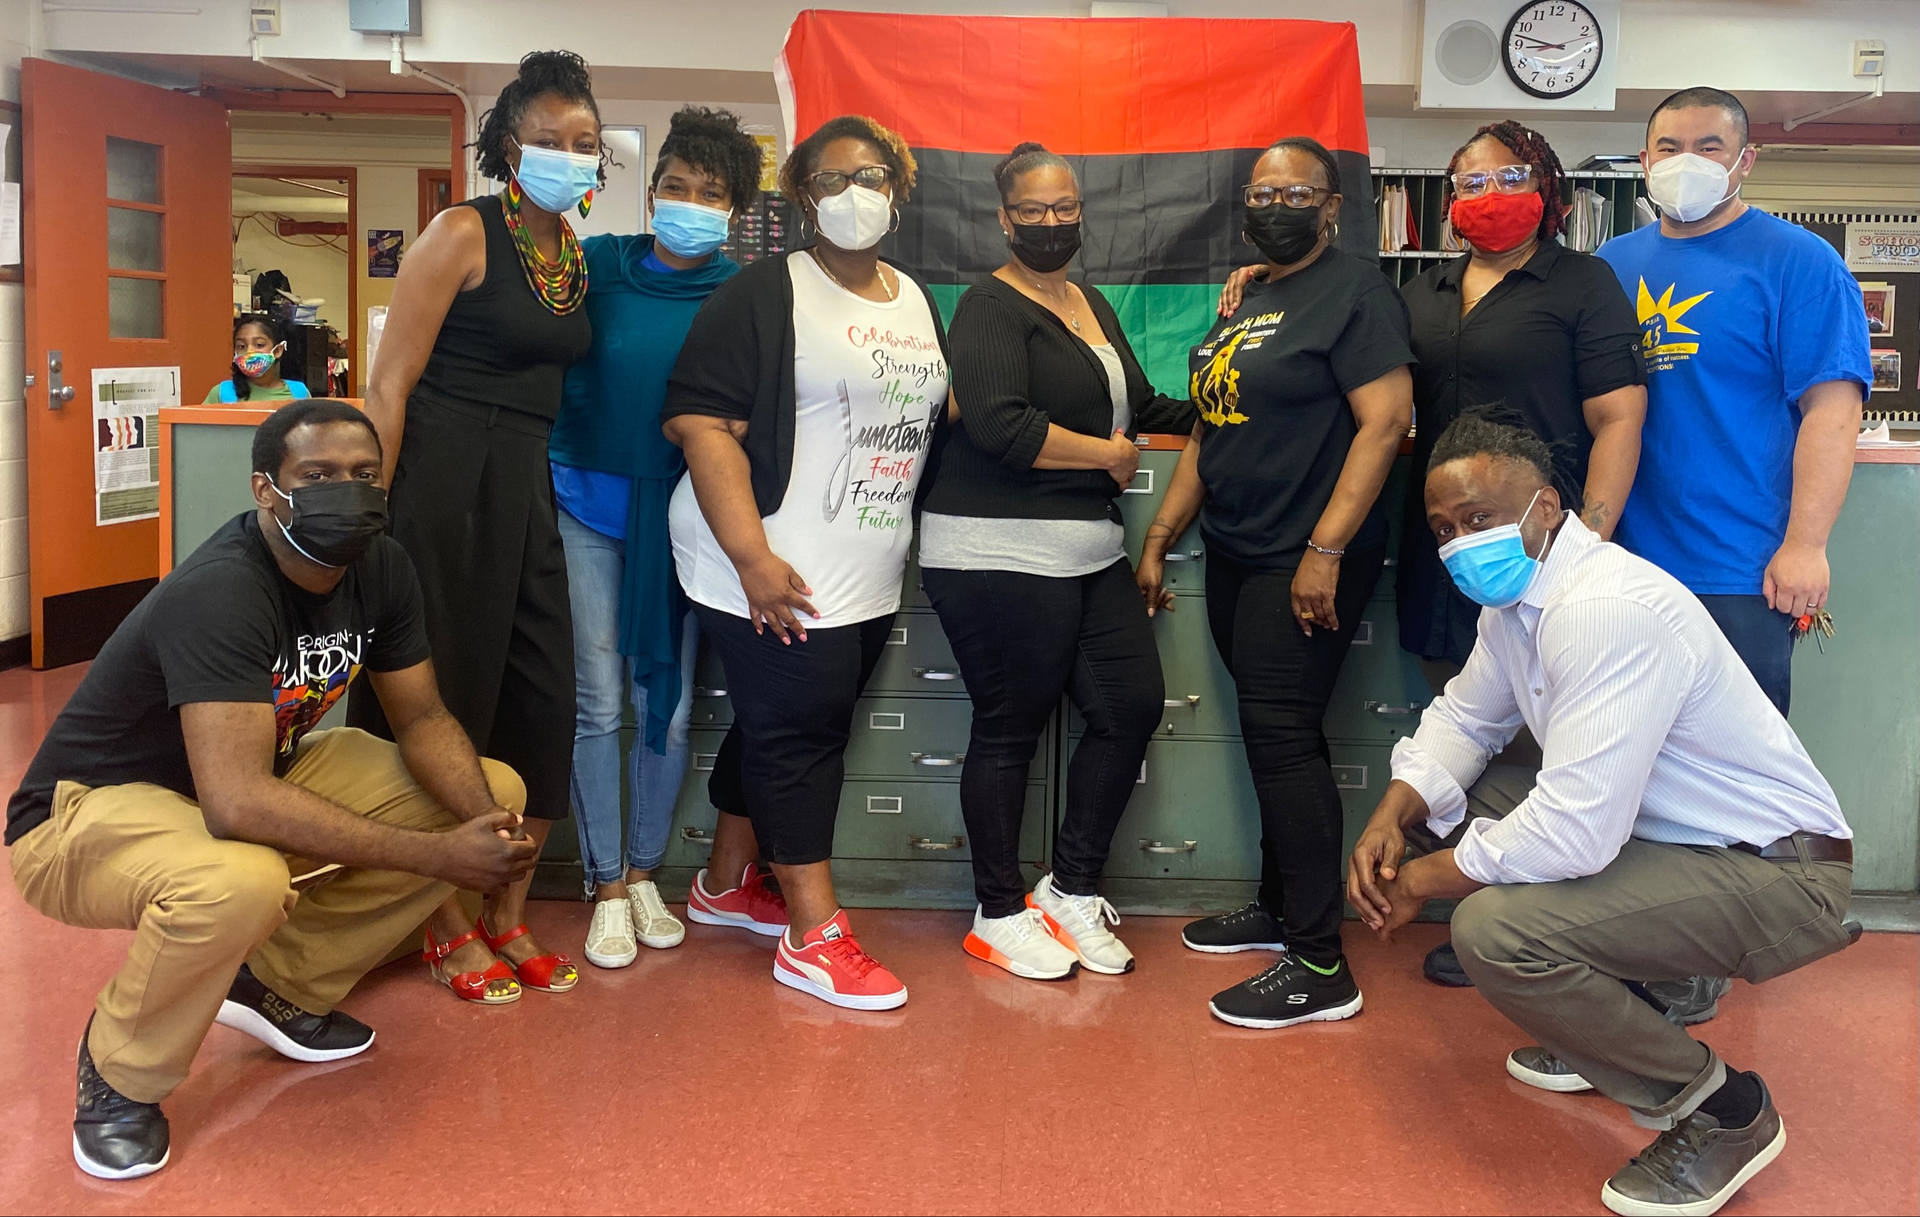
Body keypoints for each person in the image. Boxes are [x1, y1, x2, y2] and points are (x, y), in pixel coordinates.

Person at [6, 401, 536, 1180]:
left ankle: (275, 985)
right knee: (239, 879)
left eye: (362, 474)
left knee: (491, 786)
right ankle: (119, 1077)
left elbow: (420, 716)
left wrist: (483, 832)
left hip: (246, 774)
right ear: (265, 489)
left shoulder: (380, 568)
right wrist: (438, 856)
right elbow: (237, 805)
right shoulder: (223, 588)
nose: (346, 492)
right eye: (317, 476)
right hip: (85, 813)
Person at [1347, 410, 1854, 1217]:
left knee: (1495, 931)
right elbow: (1467, 719)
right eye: (1443, 528)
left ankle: (1719, 1108)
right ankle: (1618, 1020)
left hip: (1778, 872)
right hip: (1677, 844)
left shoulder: (1604, 608)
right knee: (1458, 807)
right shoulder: (1516, 605)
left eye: (1479, 518)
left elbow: (1575, 830)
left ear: (1547, 506)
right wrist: (1391, 813)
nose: (1458, 544)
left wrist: (1421, 882)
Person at [664, 114, 950, 1011]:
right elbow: (701, 422)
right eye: (829, 181)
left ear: (898, 191)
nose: (852, 194)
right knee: (801, 739)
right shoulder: (761, 292)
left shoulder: (912, 296)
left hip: (863, 565)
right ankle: (812, 933)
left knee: (773, 723)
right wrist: (750, 556)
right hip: (766, 558)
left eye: (870, 176)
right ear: (799, 198)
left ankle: (722, 884)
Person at [1138, 136, 1414, 1028]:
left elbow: (1386, 422)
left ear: (1333, 206)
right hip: (1237, 548)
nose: (1276, 203)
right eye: (1262, 190)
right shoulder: (1249, 296)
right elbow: (1214, 433)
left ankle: (1321, 958)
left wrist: (1327, 549)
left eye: (1296, 190)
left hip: (1305, 555)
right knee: (1268, 736)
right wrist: (1163, 533)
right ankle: (1276, 902)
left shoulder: (1356, 291)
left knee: (1285, 738)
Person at [350, 50, 600, 999]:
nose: (566, 156)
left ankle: (506, 913)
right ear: (506, 144)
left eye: (582, 143)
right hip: (440, 484)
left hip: (526, 486)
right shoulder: (461, 230)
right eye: (547, 139)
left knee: (538, 702)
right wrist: (371, 513)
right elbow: (389, 384)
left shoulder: (572, 254)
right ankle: (442, 918)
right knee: (440, 704)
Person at [919, 143, 1196, 981]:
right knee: (1011, 726)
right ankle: (997, 910)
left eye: (1064, 207)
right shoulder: (988, 307)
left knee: (1131, 705)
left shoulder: (1089, 301)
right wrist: (1107, 458)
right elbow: (1001, 426)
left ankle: (1069, 887)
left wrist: (1236, 391)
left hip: (1086, 552)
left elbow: (1141, 405)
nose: (1051, 223)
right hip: (995, 549)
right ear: (1004, 219)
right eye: (1032, 211)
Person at [549, 106, 767, 969]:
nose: (687, 203)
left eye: (709, 193)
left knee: (668, 707)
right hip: (586, 505)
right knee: (597, 700)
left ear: (734, 210)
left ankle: (646, 873)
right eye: (674, 187)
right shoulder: (598, 263)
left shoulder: (743, 293)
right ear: (650, 189)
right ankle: (604, 884)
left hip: (685, 521)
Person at [1598, 87, 1869, 716]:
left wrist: (1806, 544)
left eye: (1708, 147)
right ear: (1644, 160)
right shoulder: (1609, 265)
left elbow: (1833, 412)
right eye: (1669, 148)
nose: (1684, 161)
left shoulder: (1800, 262)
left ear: (1745, 161)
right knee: (1624, 760)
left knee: (1736, 780)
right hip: (1624, 561)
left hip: (1741, 570)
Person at [207, 314, 312, 403]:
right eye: (241, 346)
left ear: (277, 350)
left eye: (259, 344)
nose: (249, 351)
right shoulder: (222, 393)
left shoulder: (300, 392)